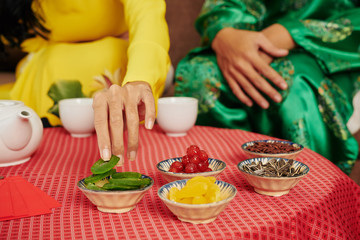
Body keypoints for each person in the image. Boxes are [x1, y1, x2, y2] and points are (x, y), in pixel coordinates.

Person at [174, 0, 360, 175]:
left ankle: (309, 197)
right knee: (199, 74)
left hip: (333, 48)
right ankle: (213, 185)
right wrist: (224, 33)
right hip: (251, 39)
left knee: (293, 89)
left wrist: (293, 33)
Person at [0, 0, 171, 166]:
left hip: (130, 56)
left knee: (111, 54)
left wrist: (139, 78)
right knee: (48, 62)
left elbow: (148, 16)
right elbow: (23, 35)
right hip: (45, 59)